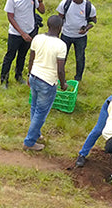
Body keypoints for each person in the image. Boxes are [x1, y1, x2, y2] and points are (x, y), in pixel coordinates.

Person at [23, 14, 67, 151]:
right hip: (47, 82)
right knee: (41, 113)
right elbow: (60, 69)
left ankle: (35, 133)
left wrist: (29, 75)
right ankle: (29, 142)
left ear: (48, 25)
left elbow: (31, 59)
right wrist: (63, 83)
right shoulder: (61, 45)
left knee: (34, 107)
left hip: (34, 76)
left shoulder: (37, 38)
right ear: (60, 28)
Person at [1, 0, 45, 88]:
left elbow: (42, 11)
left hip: (30, 32)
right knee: (10, 56)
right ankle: (4, 80)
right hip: (16, 34)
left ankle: (18, 75)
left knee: (22, 56)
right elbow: (10, 17)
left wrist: (40, 0)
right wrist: (22, 33)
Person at [55, 0, 97, 82]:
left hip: (80, 37)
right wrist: (57, 34)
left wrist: (86, 29)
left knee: (80, 57)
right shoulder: (66, 3)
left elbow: (93, 21)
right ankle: (58, 76)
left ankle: (78, 78)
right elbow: (59, 19)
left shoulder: (89, 7)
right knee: (61, 57)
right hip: (66, 35)